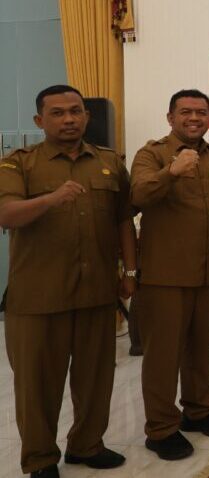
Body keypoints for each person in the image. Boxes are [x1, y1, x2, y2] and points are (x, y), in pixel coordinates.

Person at [0, 85, 136, 477]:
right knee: (37, 387)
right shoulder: (18, 165)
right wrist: (50, 199)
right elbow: (6, 214)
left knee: (96, 380)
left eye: (75, 111)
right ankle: (41, 459)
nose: (69, 119)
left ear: (87, 116)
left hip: (96, 294)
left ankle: (87, 445)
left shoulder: (109, 162)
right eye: (57, 113)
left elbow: (123, 219)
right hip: (38, 299)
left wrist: (130, 271)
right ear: (39, 121)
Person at [130, 89, 209, 460]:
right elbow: (138, 196)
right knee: (163, 356)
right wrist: (170, 171)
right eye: (185, 112)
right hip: (166, 275)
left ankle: (198, 410)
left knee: (199, 349)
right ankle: (161, 428)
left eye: (201, 112)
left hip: (208, 272)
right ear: (170, 117)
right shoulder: (152, 153)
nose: (194, 118)